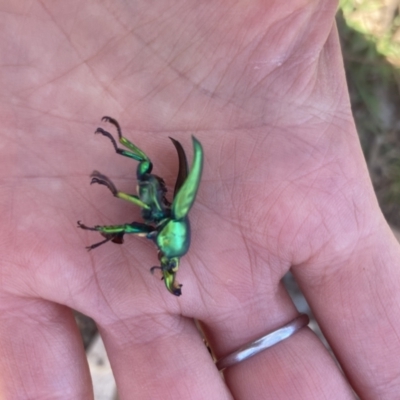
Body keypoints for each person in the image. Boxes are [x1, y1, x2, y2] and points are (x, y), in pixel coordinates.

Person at [1, 1, 399, 399]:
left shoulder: (165, 239)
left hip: (159, 214)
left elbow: (140, 230)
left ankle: (117, 156)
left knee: (132, 214)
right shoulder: (167, 230)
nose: (164, 265)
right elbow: (142, 222)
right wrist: (112, 191)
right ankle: (118, 143)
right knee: (140, 182)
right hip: (159, 208)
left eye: (165, 265)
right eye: (168, 264)